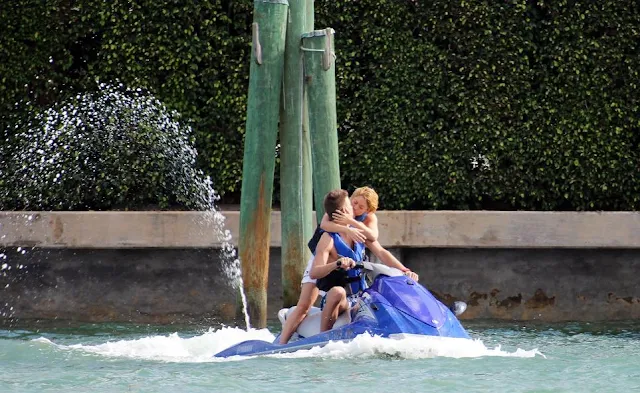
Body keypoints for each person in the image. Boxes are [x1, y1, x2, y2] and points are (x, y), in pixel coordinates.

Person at [278, 188, 417, 344]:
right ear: (345, 209)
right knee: (305, 305)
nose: (355, 208)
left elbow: (381, 251)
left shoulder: (361, 228)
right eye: (353, 204)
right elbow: (315, 271)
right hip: (324, 269)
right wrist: (337, 262)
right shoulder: (329, 235)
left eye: (360, 207)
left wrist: (404, 270)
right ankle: (294, 341)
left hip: (355, 294)